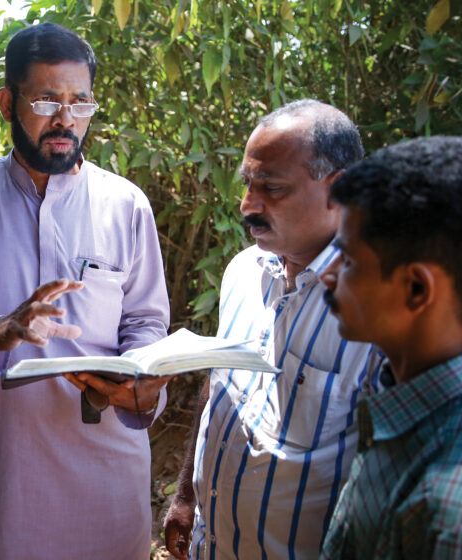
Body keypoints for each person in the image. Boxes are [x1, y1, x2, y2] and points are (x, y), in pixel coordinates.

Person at [0, 22, 170, 559]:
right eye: (46, 99)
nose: (66, 119)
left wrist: (139, 375)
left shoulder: (125, 204)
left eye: (80, 102)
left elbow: (144, 321)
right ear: (7, 102)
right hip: (7, 473)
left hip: (109, 467)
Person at [163, 99, 386, 560]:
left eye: (273, 188)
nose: (248, 206)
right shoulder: (244, 272)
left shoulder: (381, 311)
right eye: (248, 183)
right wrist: (187, 495)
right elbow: (221, 385)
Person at [318, 136, 462, 558]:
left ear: (416, 288)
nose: (327, 276)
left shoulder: (460, 525)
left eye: (348, 261)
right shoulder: (414, 404)